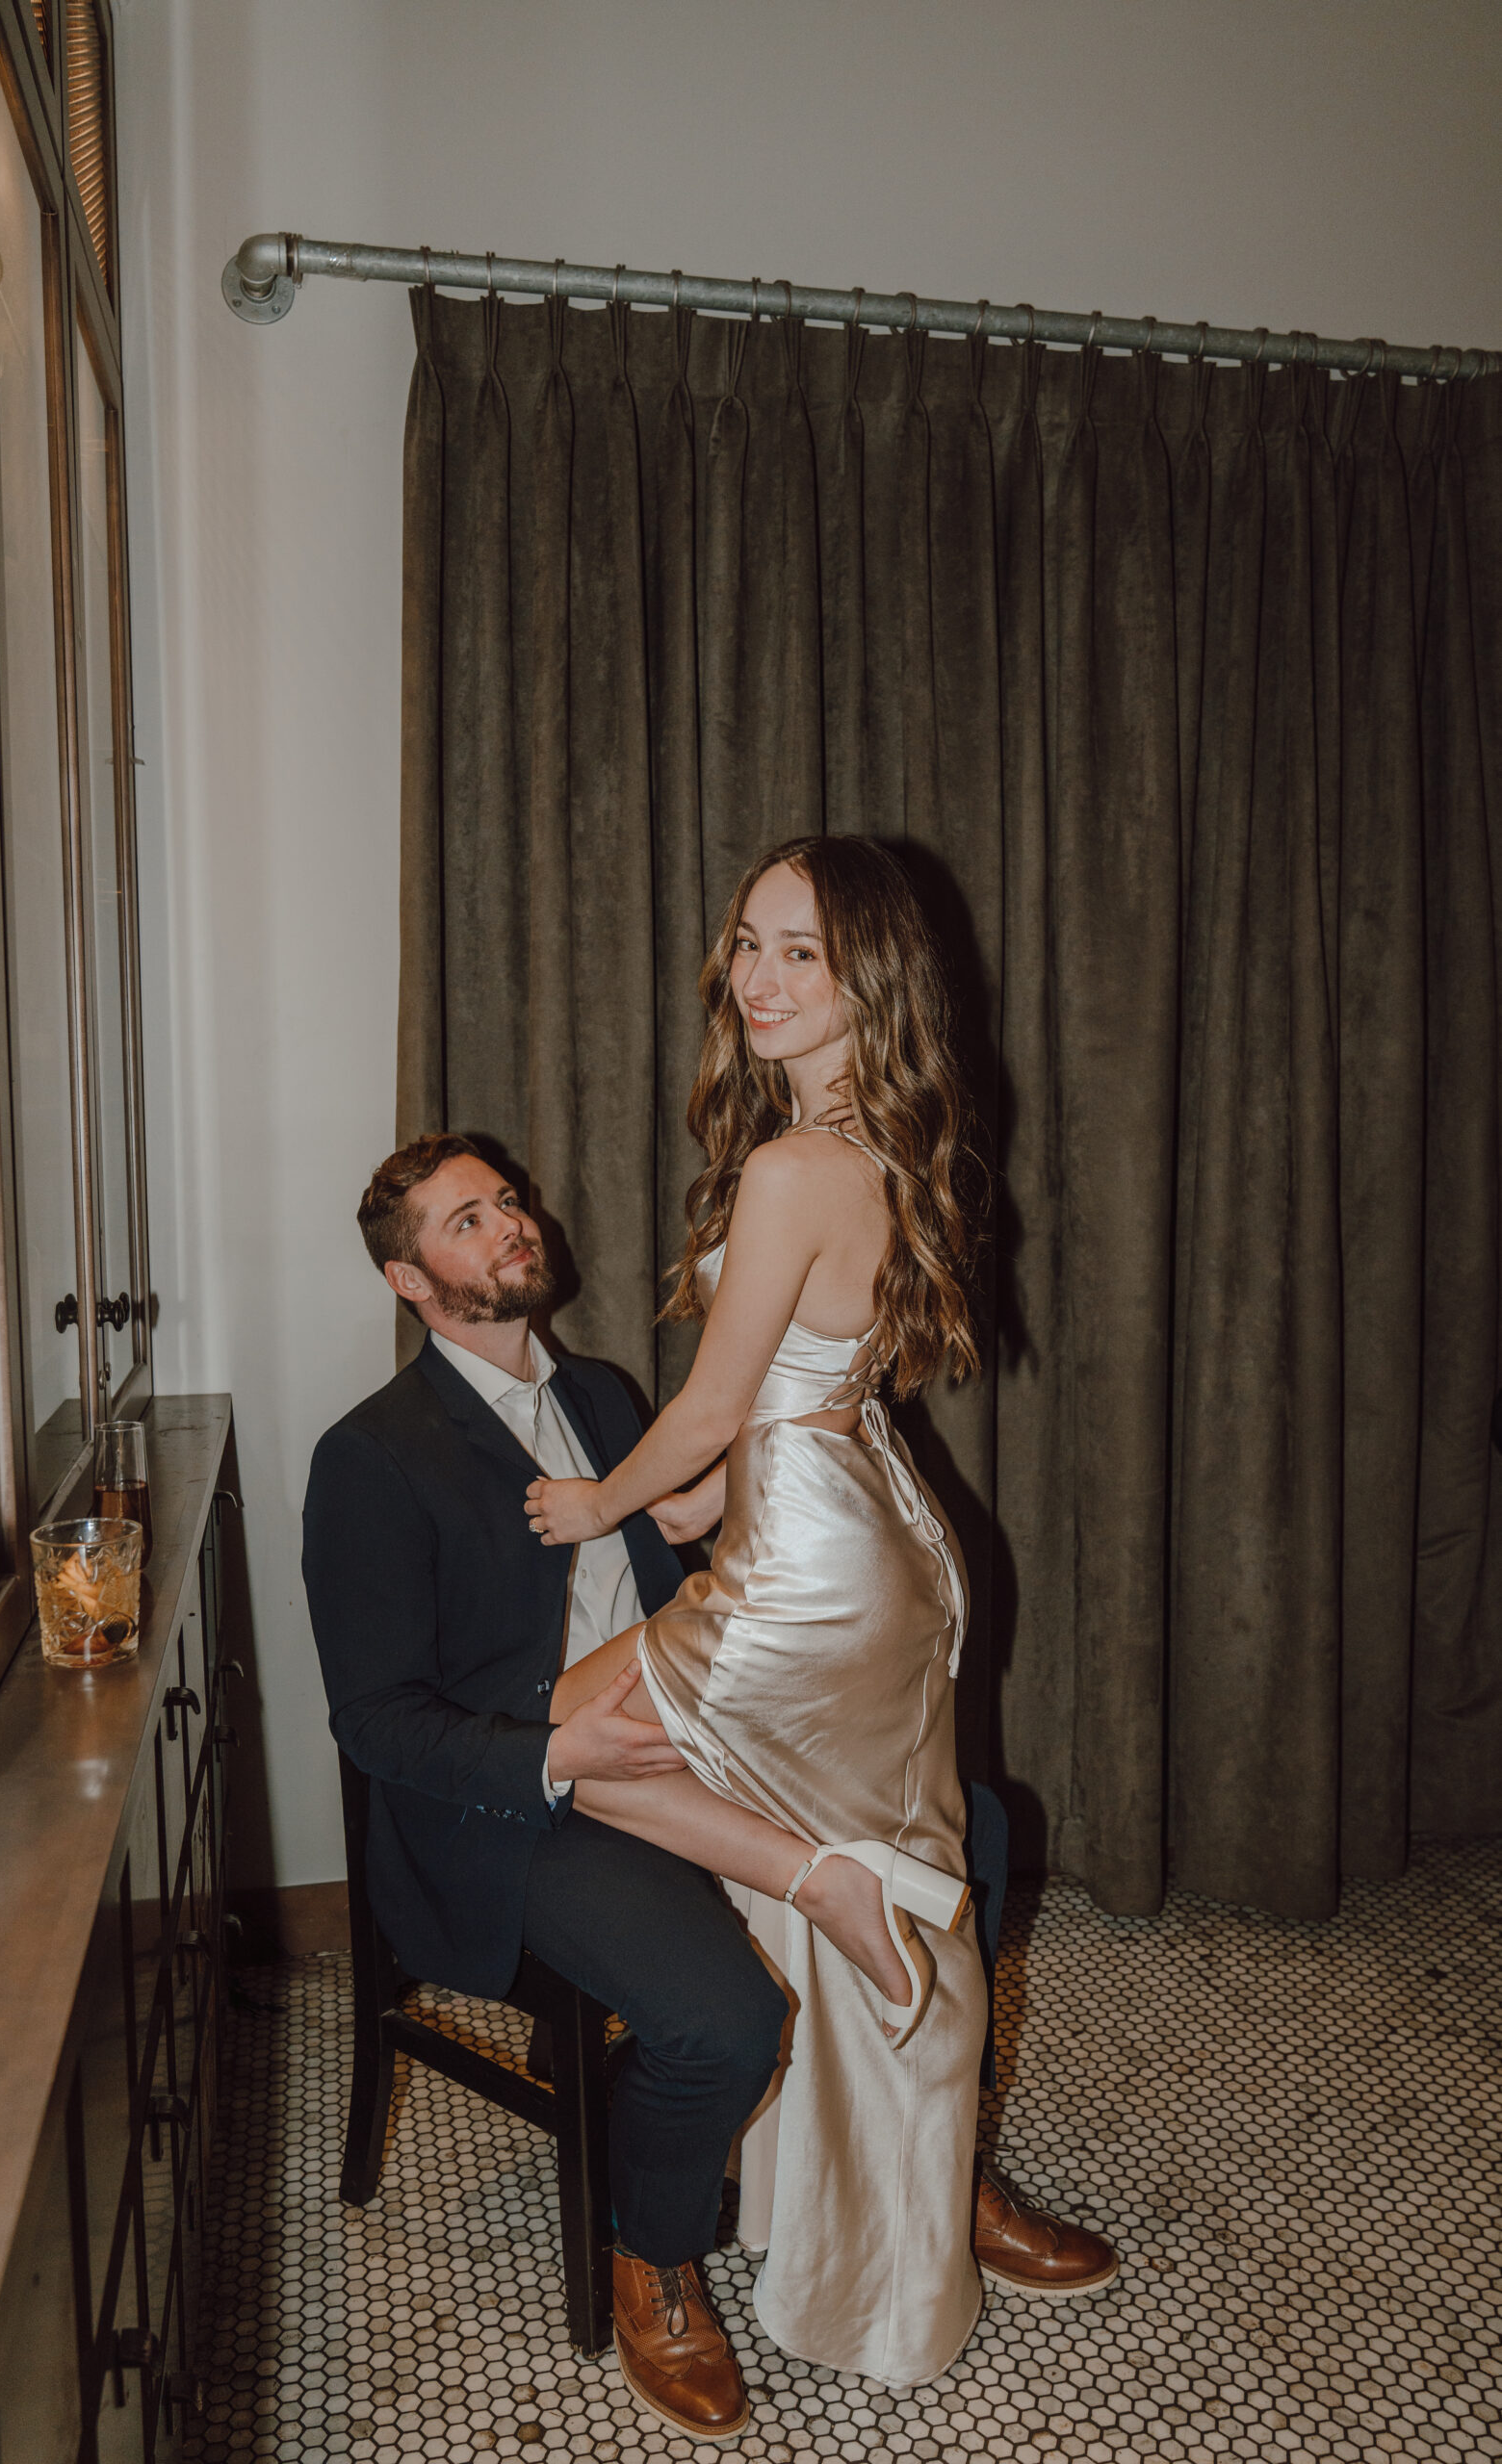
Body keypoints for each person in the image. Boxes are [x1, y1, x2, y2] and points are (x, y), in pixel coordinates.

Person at [305, 1125, 1112, 2438]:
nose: (508, 1225)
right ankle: (654, 2251)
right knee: (725, 2021)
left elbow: (717, 1582)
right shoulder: (374, 1456)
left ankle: (929, 2166)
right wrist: (560, 1753)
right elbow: (378, 1723)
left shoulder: (613, 1398)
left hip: (697, 1732)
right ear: (409, 1281)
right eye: (464, 1222)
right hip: (534, 1803)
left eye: (507, 1201)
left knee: (969, 1849)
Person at [524, 834, 1076, 2387]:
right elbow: (805, 1387)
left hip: (819, 1573)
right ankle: (875, 2059)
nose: (759, 981)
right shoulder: (871, 1144)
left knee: (554, 1747)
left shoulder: (794, 1166)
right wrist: (716, 1493)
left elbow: (707, 1411)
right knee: (856, 1823)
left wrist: (602, 1502)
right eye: (749, 947)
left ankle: (834, 1896)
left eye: (801, 956)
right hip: (850, 1523)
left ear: (866, 983)